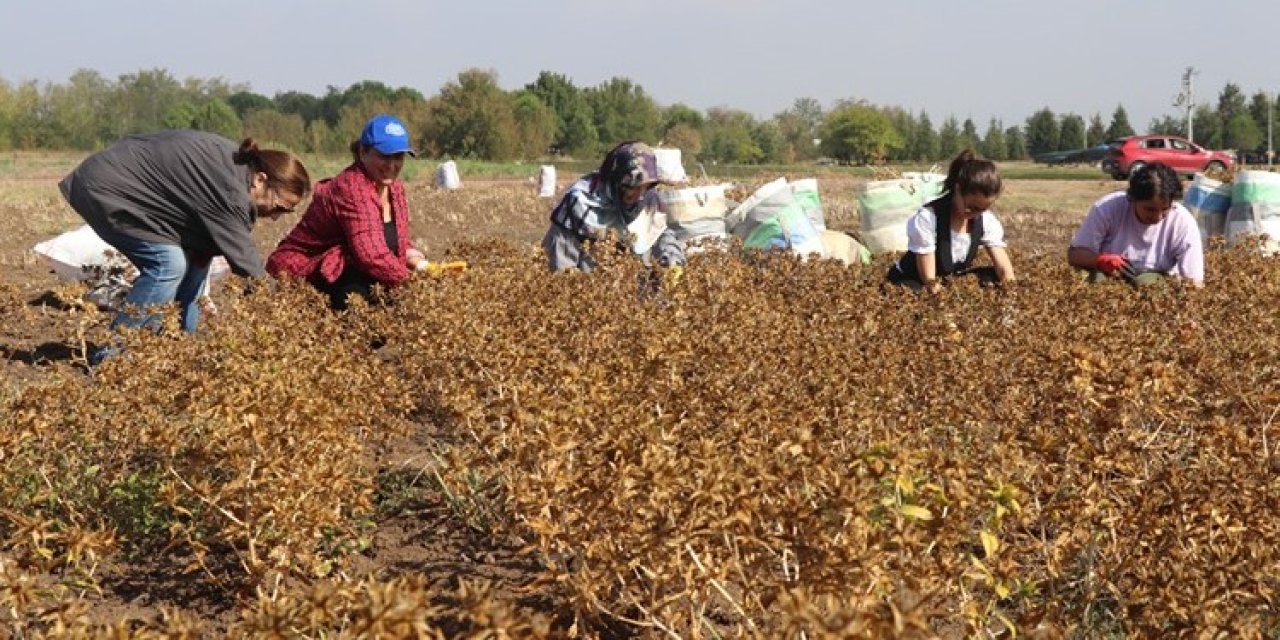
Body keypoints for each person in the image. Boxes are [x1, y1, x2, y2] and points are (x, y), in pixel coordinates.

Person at [59, 130, 311, 336]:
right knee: (168, 264)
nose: (276, 216)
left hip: (125, 186)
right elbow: (246, 264)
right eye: (280, 206)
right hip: (107, 188)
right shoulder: (231, 193)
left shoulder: (237, 169)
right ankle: (114, 354)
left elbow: (204, 249)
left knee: (195, 261)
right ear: (260, 180)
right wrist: (284, 310)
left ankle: (178, 342)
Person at [267, 114, 432, 310]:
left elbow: (394, 241)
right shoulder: (352, 188)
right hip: (311, 271)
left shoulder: (394, 188)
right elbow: (371, 255)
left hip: (353, 269)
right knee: (356, 303)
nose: (392, 165)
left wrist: (419, 263)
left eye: (398, 157)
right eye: (384, 156)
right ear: (363, 152)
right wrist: (416, 284)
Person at [542, 141, 685, 275]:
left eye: (645, 187)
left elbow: (661, 234)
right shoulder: (579, 204)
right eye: (634, 188)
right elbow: (560, 262)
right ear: (618, 182)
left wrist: (672, 260)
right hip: (590, 285)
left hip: (636, 286)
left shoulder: (649, 200)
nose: (640, 195)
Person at [885, 150, 1016, 292]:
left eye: (982, 209)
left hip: (947, 278)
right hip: (914, 279)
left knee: (992, 276)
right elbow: (929, 281)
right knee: (916, 293)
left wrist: (1011, 291)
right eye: (971, 207)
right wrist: (947, 299)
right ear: (957, 189)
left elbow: (1004, 268)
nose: (975, 214)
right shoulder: (929, 218)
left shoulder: (985, 220)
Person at [1068, 162, 1204, 287]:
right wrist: (1101, 260)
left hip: (1157, 277)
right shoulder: (1107, 208)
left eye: (1164, 209)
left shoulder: (1183, 223)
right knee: (1100, 281)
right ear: (1133, 199)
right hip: (1111, 273)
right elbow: (1075, 254)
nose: (1157, 217)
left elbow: (1194, 281)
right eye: (1150, 209)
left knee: (1145, 283)